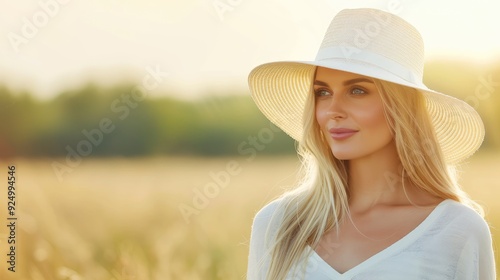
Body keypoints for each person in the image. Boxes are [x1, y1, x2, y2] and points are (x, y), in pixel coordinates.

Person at [246, 8, 496, 280]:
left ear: (401, 108)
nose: (333, 110)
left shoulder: (457, 230)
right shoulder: (277, 224)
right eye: (323, 92)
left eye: (357, 90)